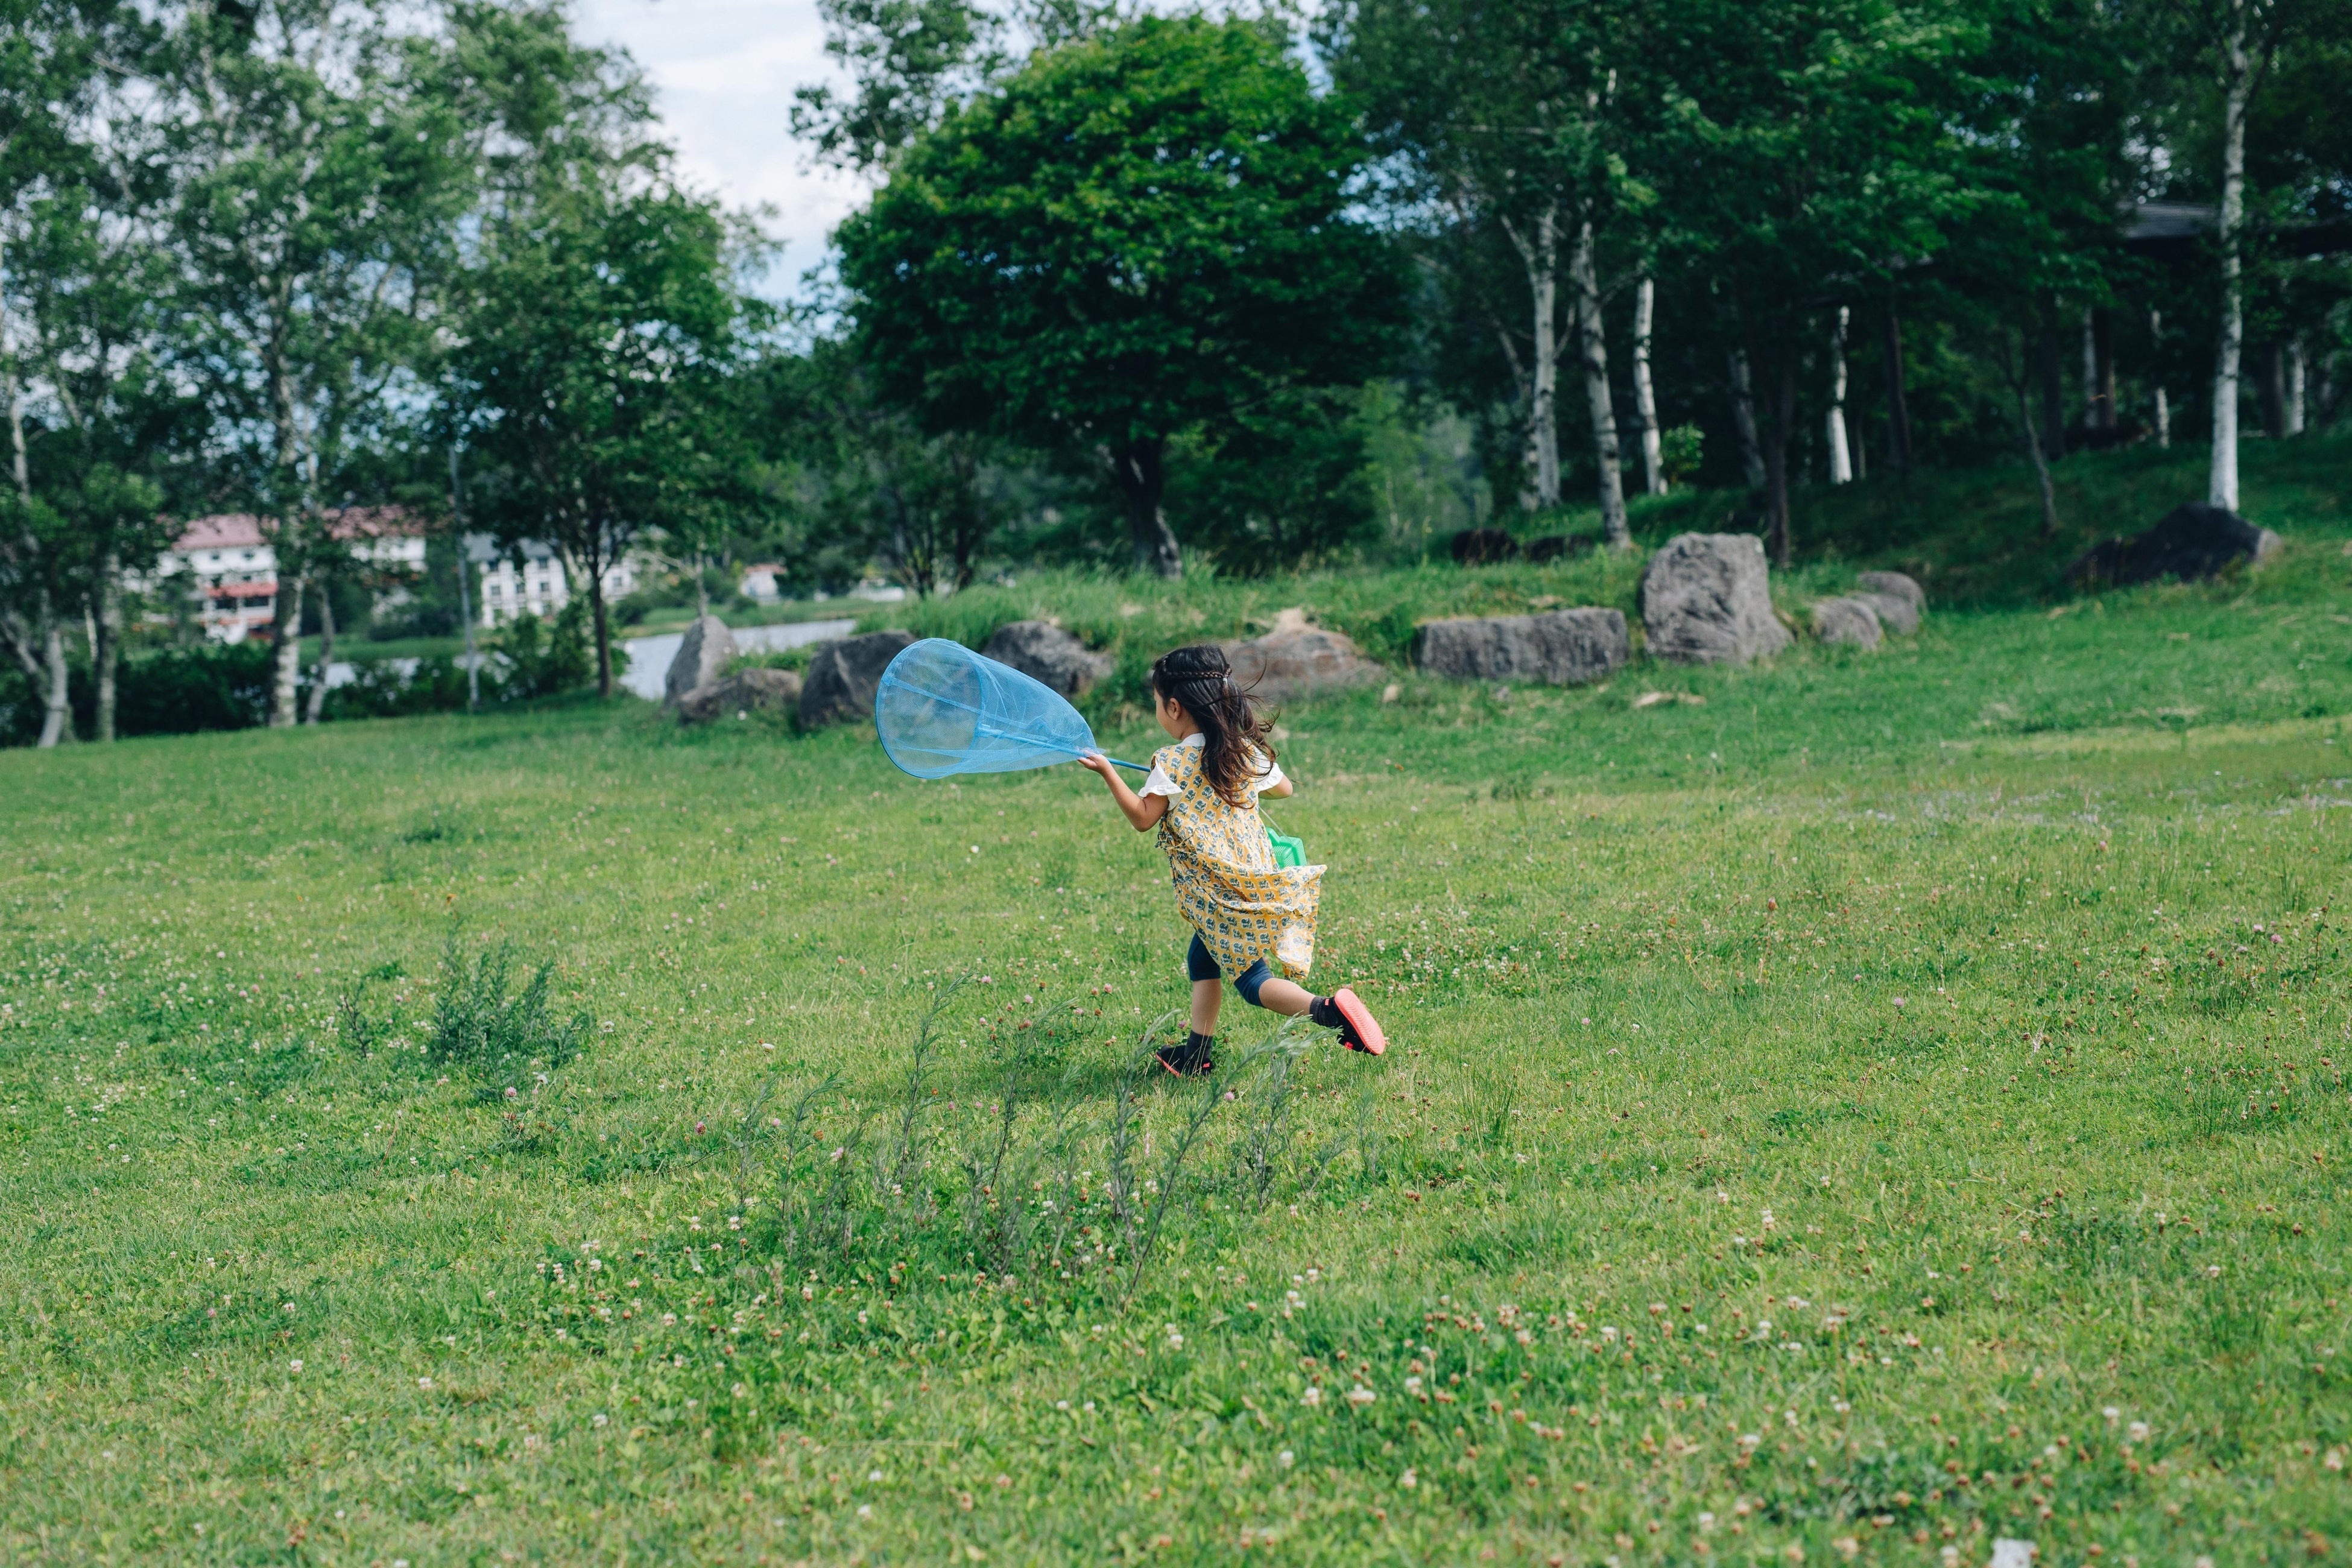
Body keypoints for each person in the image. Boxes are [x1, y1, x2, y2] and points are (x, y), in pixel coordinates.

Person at [1079, 644, 1385, 1075]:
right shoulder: (1241, 750)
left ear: (1173, 706)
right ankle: (1195, 1054)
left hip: (1219, 892)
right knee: (1202, 959)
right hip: (1255, 880)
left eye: (1156, 704)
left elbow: (1143, 819)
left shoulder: (1171, 762)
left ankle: (1328, 1011)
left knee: (1250, 979)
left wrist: (1108, 772)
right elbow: (1285, 790)